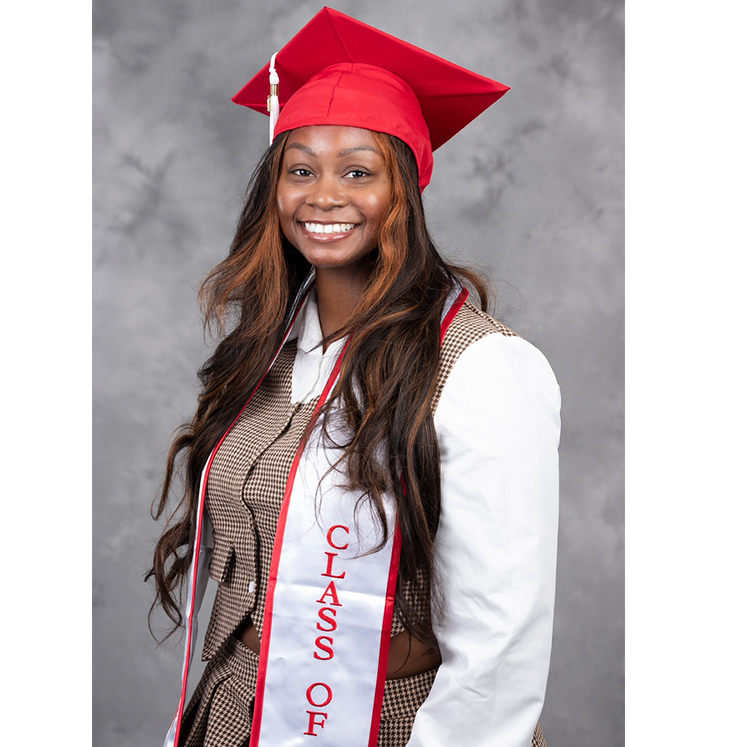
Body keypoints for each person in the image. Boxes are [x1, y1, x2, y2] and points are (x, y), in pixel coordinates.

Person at [148, 8, 561, 747]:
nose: (323, 195)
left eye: (358, 172)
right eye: (300, 169)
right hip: (234, 713)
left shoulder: (481, 366)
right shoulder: (264, 353)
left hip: (385, 723)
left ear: (403, 188)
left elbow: (500, 633)